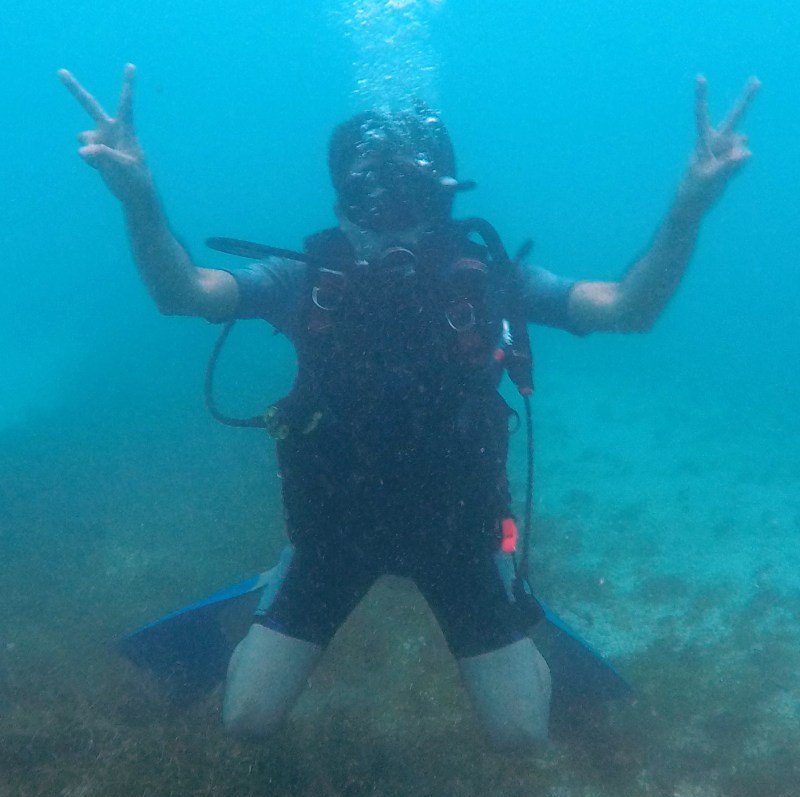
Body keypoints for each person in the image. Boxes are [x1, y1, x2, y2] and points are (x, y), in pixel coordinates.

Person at [59, 64, 759, 750]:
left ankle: (494, 611)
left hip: (460, 533)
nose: (391, 216)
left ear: (443, 194)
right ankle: (274, 585)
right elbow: (183, 294)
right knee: (247, 718)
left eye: (413, 193)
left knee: (520, 733)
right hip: (334, 533)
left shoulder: (489, 279)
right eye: (370, 192)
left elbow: (628, 310)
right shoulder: (304, 279)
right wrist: (139, 199)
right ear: (342, 195)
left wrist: (688, 207)